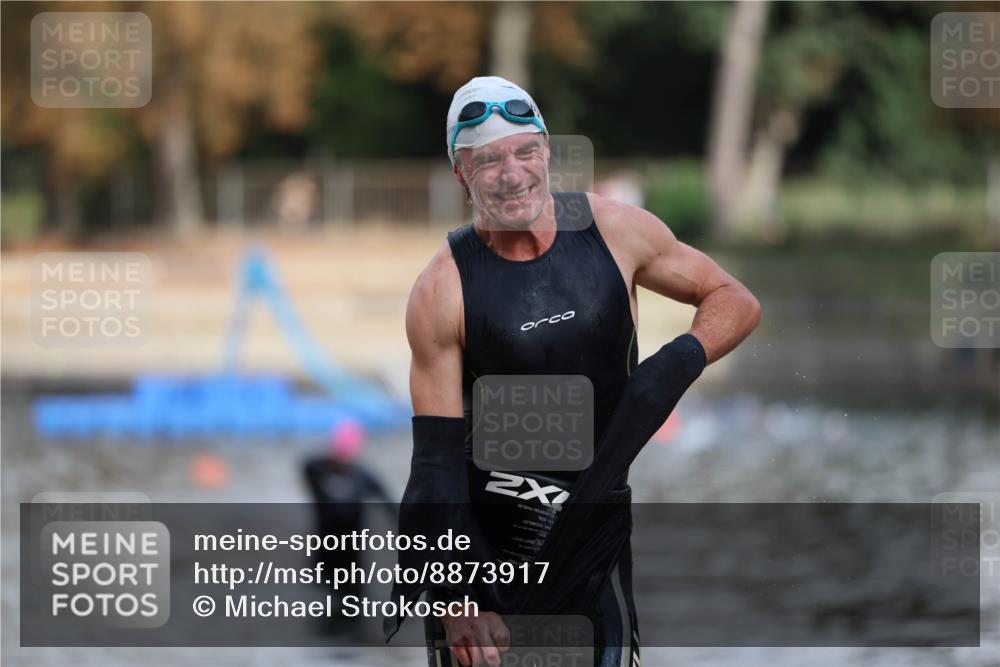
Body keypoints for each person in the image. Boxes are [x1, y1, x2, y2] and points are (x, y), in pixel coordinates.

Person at [397, 76, 761, 667]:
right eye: (486, 160)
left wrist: (670, 367)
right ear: (461, 175)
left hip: (594, 532)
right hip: (485, 548)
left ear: (547, 152)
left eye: (523, 151)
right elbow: (434, 467)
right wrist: (455, 593)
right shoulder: (444, 287)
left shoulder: (614, 231)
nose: (510, 174)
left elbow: (734, 300)